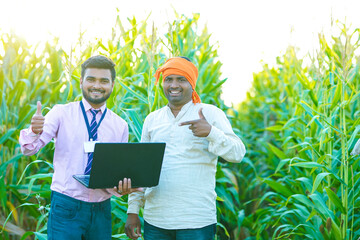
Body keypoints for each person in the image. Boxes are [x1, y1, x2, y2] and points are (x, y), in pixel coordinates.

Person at [125, 56, 246, 240]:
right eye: (168, 79)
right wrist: (132, 211)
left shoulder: (210, 113)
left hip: (196, 221)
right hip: (156, 220)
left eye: (181, 79)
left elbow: (237, 153)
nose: (174, 85)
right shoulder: (152, 119)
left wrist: (211, 132)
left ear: (192, 83)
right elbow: (142, 169)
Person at [19, 55, 139, 240]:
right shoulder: (61, 113)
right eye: (91, 79)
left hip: (102, 210)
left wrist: (122, 187)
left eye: (104, 81)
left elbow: (116, 172)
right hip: (66, 207)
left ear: (112, 85)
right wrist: (34, 131)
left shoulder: (120, 125)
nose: (97, 85)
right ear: (82, 81)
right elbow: (29, 149)